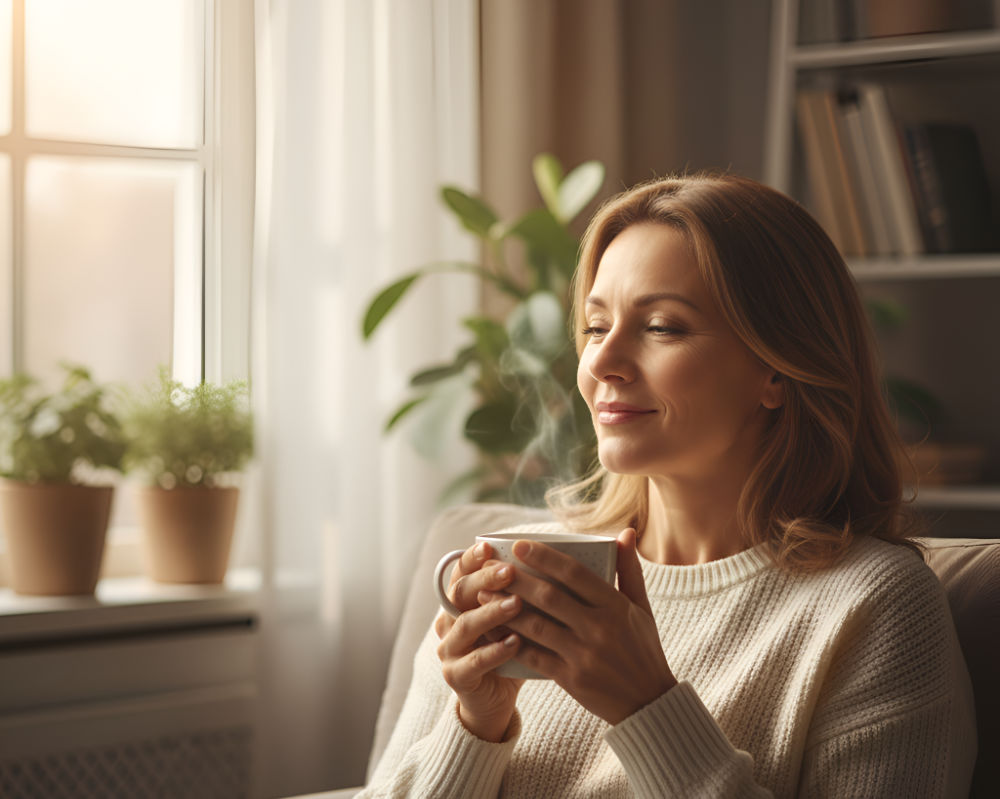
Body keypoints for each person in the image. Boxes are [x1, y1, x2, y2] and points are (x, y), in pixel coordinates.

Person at [360, 174, 977, 797]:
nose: (601, 362)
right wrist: (474, 725)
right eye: (597, 327)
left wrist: (647, 707)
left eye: (662, 327)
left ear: (777, 371)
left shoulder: (874, 607)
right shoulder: (519, 575)